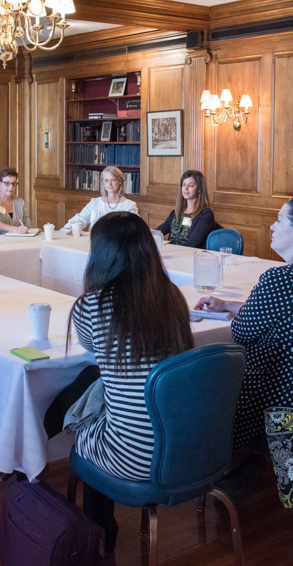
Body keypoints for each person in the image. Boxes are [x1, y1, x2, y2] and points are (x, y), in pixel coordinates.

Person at [67, 211, 193, 547]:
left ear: (100, 255)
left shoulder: (90, 306)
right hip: (186, 450)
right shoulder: (173, 299)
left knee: (80, 418)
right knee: (98, 393)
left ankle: (100, 530)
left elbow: (91, 348)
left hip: (133, 457)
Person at [196, 194, 293, 449]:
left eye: (279, 220)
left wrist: (237, 313)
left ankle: (222, 464)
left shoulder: (280, 279)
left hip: (276, 396)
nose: (272, 226)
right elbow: (292, 314)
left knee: (202, 379)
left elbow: (241, 333)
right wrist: (230, 305)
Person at [60, 165, 137, 233]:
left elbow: (134, 230)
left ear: (120, 181)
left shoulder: (129, 206)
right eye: (106, 180)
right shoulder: (95, 203)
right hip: (94, 244)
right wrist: (72, 228)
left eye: (113, 180)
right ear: (103, 182)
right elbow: (80, 219)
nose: (109, 184)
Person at [154, 169, 216, 248]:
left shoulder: (206, 215)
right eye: (183, 185)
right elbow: (158, 232)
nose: (186, 188)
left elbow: (193, 244)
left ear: (200, 189)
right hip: (170, 254)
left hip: (188, 256)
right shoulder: (175, 213)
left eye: (191, 185)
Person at [0, 167, 31, 235]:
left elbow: (28, 225)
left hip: (15, 241)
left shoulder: (20, 202)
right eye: (7, 183)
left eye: (13, 183)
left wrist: (26, 230)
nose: (11, 187)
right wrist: (16, 229)